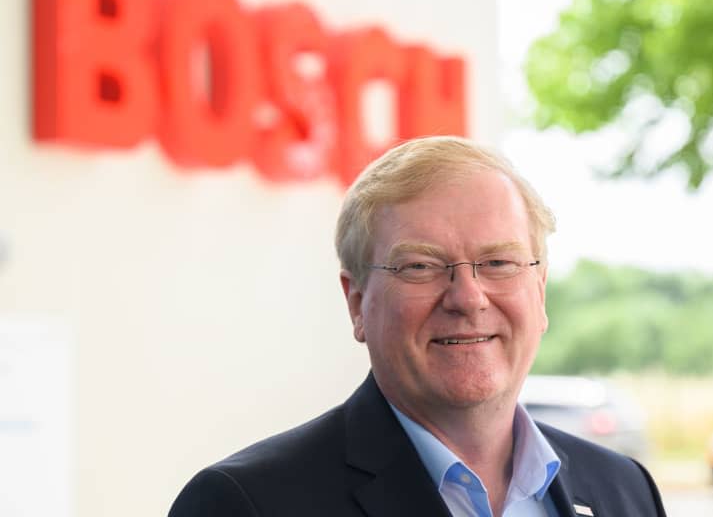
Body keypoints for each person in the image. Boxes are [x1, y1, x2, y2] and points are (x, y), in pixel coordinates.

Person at [168, 136, 667, 517]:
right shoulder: (246, 505)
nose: (468, 298)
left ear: (539, 291)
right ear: (357, 303)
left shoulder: (623, 490)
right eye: (420, 266)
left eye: (498, 262)